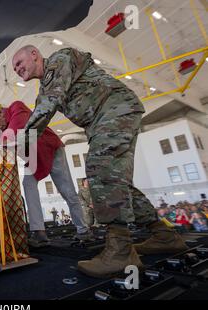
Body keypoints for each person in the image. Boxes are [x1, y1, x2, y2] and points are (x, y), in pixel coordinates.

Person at [12, 45, 188, 278]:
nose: (17, 69)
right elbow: (44, 103)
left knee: (99, 170)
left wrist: (18, 141)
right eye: (14, 67)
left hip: (114, 110)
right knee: (117, 182)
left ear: (34, 54)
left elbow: (48, 105)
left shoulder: (60, 60)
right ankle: (164, 236)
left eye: (19, 62)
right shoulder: (46, 85)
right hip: (104, 120)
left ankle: (121, 252)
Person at [0, 101, 90, 248]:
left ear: (0, 112)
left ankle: (83, 230)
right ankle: (39, 232)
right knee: (28, 184)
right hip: (33, 158)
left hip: (51, 150)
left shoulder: (17, 108)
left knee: (67, 190)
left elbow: (13, 134)